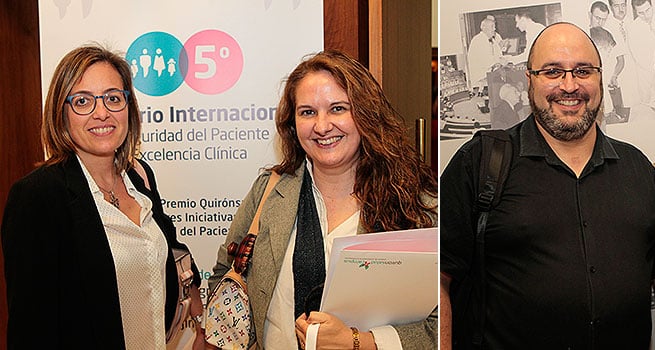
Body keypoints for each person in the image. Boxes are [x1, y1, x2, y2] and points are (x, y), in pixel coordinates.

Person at [440, 23, 655, 348]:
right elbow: (438, 277)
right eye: (552, 72)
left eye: (583, 71)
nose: (569, 85)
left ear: (600, 78)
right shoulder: (480, 161)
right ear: (529, 80)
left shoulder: (637, 168)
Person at [207, 50, 438, 350]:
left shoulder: (413, 202)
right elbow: (225, 274)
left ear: (365, 114)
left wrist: (359, 342)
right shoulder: (269, 191)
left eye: (338, 108)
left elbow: (438, 322)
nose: (322, 126)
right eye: (307, 112)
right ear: (293, 123)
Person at [1, 44, 203, 348]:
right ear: (62, 111)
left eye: (112, 98)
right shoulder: (37, 196)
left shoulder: (140, 176)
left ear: (128, 107)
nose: (101, 112)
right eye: (83, 101)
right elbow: (31, 327)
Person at [467, 16, 504, 92]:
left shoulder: (492, 40)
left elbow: (499, 55)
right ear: (483, 28)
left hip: (489, 76)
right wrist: (499, 63)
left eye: (494, 26)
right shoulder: (478, 40)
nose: (494, 29)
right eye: (492, 26)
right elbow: (488, 62)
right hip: (481, 80)